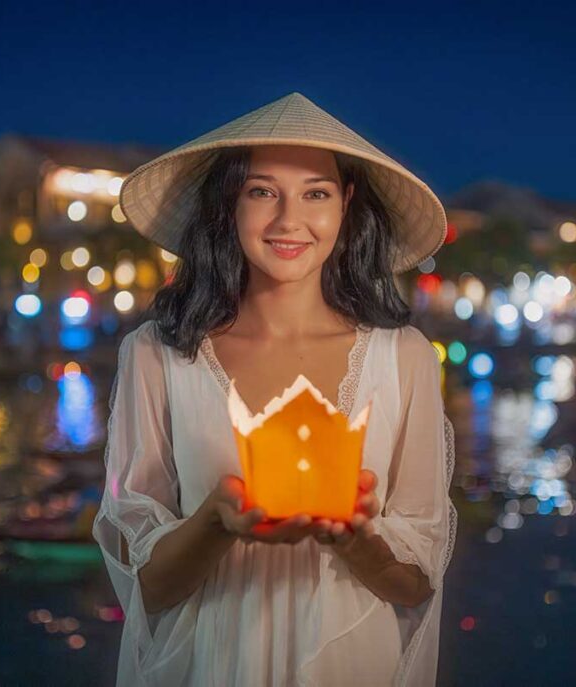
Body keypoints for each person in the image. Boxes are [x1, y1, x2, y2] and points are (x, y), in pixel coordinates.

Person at [93, 92, 456, 686]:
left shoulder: (405, 357)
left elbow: (416, 582)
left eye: (316, 193)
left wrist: (356, 536)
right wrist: (216, 520)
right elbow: (150, 587)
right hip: (207, 663)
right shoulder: (157, 353)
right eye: (262, 191)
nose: (289, 220)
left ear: (347, 203)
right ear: (229, 204)